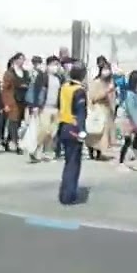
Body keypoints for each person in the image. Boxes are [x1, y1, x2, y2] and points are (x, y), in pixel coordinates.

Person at [56, 65, 88, 205]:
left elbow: (59, 105)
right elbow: (80, 112)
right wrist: (82, 130)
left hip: (63, 126)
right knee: (73, 163)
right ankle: (69, 195)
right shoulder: (79, 91)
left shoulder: (64, 87)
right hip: (74, 127)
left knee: (68, 160)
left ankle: (64, 192)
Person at [118, 70, 137, 170]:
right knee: (127, 141)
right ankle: (121, 161)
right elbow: (131, 110)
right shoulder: (130, 94)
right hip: (128, 120)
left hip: (136, 120)